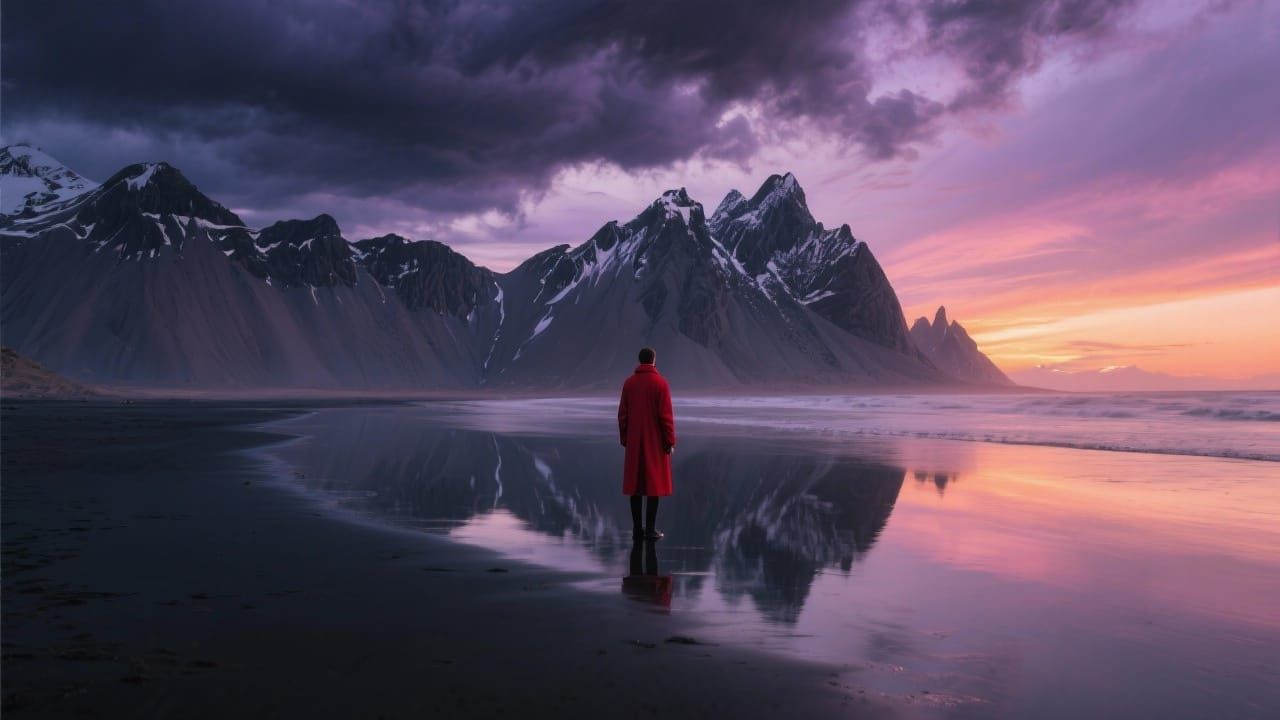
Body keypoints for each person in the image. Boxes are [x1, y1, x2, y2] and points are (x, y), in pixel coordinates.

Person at [617, 346, 675, 541]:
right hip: (655, 444)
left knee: (635, 486)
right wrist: (669, 441)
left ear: (639, 361)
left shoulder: (629, 384)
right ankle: (650, 530)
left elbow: (622, 415)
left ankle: (636, 529)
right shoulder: (661, 384)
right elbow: (665, 417)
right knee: (653, 486)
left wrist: (625, 439)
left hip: (634, 442)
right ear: (654, 360)